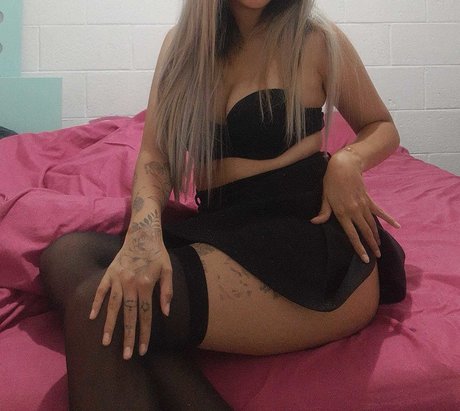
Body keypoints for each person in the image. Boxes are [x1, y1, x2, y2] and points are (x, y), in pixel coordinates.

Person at [39, 0, 406, 409]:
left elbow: (381, 125)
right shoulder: (182, 47)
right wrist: (144, 231)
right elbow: (155, 154)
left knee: (98, 303)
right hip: (224, 223)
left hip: (304, 236)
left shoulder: (315, 38)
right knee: (65, 257)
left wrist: (348, 160)